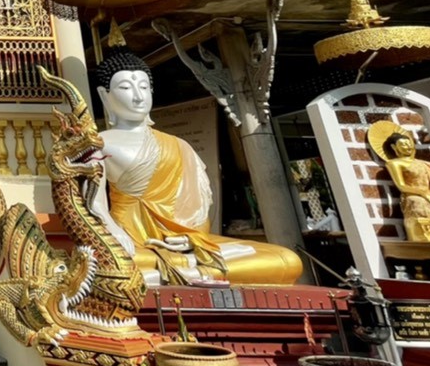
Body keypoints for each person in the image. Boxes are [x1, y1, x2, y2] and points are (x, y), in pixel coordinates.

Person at [93, 47, 303, 285]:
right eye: (125, 88)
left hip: (182, 242)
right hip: (133, 242)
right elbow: (94, 205)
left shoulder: (178, 145)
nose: (138, 96)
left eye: (143, 87)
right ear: (104, 95)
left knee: (286, 258)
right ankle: (188, 272)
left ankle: (177, 274)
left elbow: (197, 209)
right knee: (115, 263)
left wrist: (192, 238)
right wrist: (114, 233)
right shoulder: (97, 144)